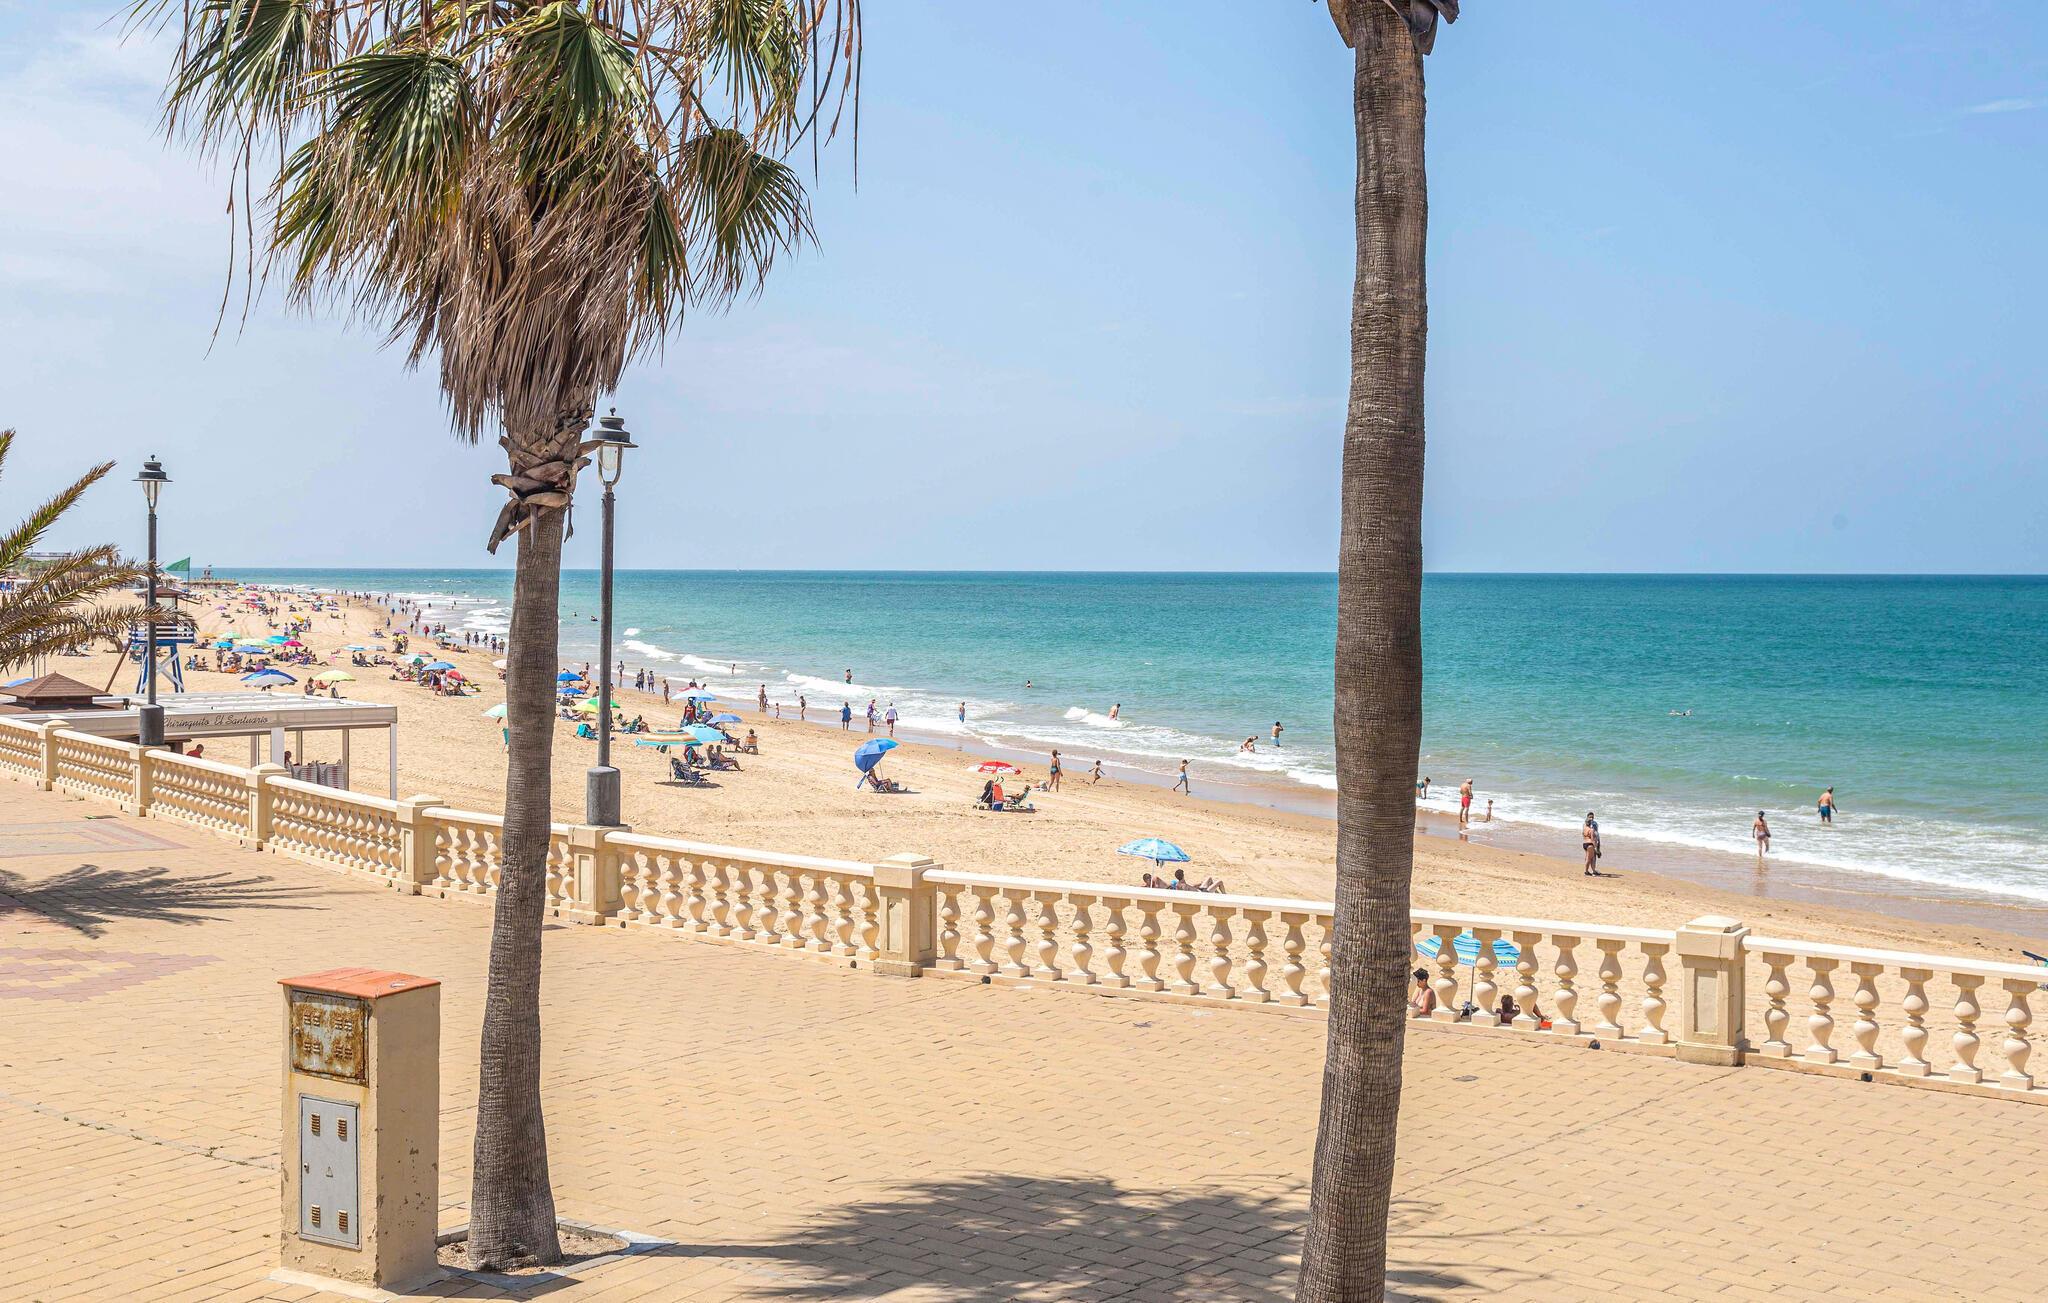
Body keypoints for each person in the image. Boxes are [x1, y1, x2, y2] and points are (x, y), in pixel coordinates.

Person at [1582, 811, 1602, 876]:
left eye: (1592, 817)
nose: (1591, 818)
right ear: (1587, 817)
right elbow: (1592, 836)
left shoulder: (1594, 824)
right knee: (1590, 858)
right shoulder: (1586, 825)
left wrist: (1598, 843)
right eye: (1590, 817)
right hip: (1591, 843)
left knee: (1592, 857)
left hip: (1588, 843)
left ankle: (1592, 870)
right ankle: (1589, 871)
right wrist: (1596, 847)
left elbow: (1597, 834)